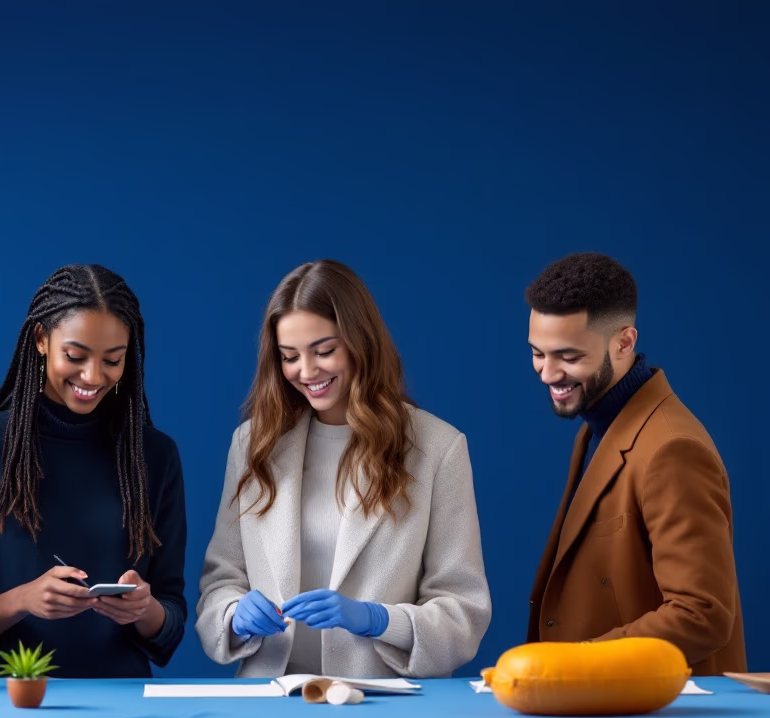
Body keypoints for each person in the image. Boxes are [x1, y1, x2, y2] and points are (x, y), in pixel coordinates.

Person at [196, 259, 490, 679]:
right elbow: (220, 582)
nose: (307, 371)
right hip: (269, 696)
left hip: (379, 700)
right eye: (290, 356)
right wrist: (233, 614)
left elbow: (463, 612)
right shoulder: (252, 444)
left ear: (361, 343)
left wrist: (378, 620)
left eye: (324, 351)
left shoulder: (438, 448)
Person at [0, 264, 186, 677]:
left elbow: (169, 627)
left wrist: (145, 608)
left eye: (113, 360)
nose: (93, 376)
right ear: (41, 339)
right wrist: (22, 600)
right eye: (75, 356)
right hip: (4, 701)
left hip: (122, 703)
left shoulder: (153, 457)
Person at [525, 253, 745, 674]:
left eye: (568, 357)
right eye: (538, 353)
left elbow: (702, 614)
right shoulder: (598, 426)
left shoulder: (673, 449)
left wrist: (573, 662)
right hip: (601, 700)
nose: (547, 374)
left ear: (624, 343)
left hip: (660, 706)